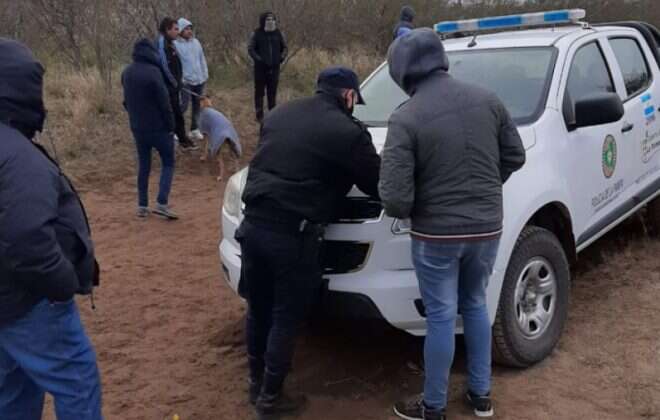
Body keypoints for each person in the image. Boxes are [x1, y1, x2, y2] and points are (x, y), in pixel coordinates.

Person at [379, 29, 526, 420]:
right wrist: (485, 188)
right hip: (487, 227)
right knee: (475, 303)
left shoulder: (405, 117)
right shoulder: (488, 99)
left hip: (436, 235)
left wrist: (424, 202)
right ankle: (481, 396)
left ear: (402, 71)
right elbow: (515, 156)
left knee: (442, 315)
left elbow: (395, 199)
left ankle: (434, 406)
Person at [237, 66, 380, 418]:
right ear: (349, 96)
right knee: (286, 315)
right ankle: (271, 398)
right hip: (293, 234)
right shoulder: (348, 132)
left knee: (258, 307)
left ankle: (256, 383)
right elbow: (378, 184)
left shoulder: (278, 114)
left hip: (252, 225)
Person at [0, 38, 103, 420]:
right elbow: (28, 239)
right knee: (77, 380)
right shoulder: (18, 157)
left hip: (6, 302)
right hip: (29, 300)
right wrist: (62, 284)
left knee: (15, 385)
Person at [122, 38, 179, 220]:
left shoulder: (127, 72)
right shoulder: (154, 72)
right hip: (159, 128)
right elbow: (164, 102)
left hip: (138, 128)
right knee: (168, 162)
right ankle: (161, 203)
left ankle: (142, 206)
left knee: (144, 165)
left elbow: (126, 102)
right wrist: (171, 126)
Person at [157, 17, 197, 150]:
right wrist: (175, 83)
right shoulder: (162, 44)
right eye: (175, 29)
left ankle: (182, 139)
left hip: (174, 86)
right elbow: (165, 66)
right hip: (168, 88)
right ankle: (174, 140)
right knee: (172, 114)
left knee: (177, 113)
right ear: (167, 29)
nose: (178, 31)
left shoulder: (170, 42)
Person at [248, 11, 288, 123]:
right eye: (268, 19)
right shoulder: (256, 33)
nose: (270, 21)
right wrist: (259, 60)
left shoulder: (279, 33)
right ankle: (259, 116)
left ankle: (272, 115)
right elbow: (251, 49)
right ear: (263, 21)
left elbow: (285, 48)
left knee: (272, 93)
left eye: (272, 19)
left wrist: (281, 58)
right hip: (260, 69)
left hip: (274, 69)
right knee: (259, 93)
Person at [175, 17, 209, 141]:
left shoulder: (196, 42)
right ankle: (175, 130)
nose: (189, 31)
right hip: (185, 81)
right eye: (186, 29)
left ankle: (194, 129)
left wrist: (205, 74)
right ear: (180, 31)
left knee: (197, 105)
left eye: (190, 28)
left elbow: (201, 58)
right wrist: (180, 79)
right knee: (183, 105)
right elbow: (176, 64)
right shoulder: (176, 45)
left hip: (199, 79)